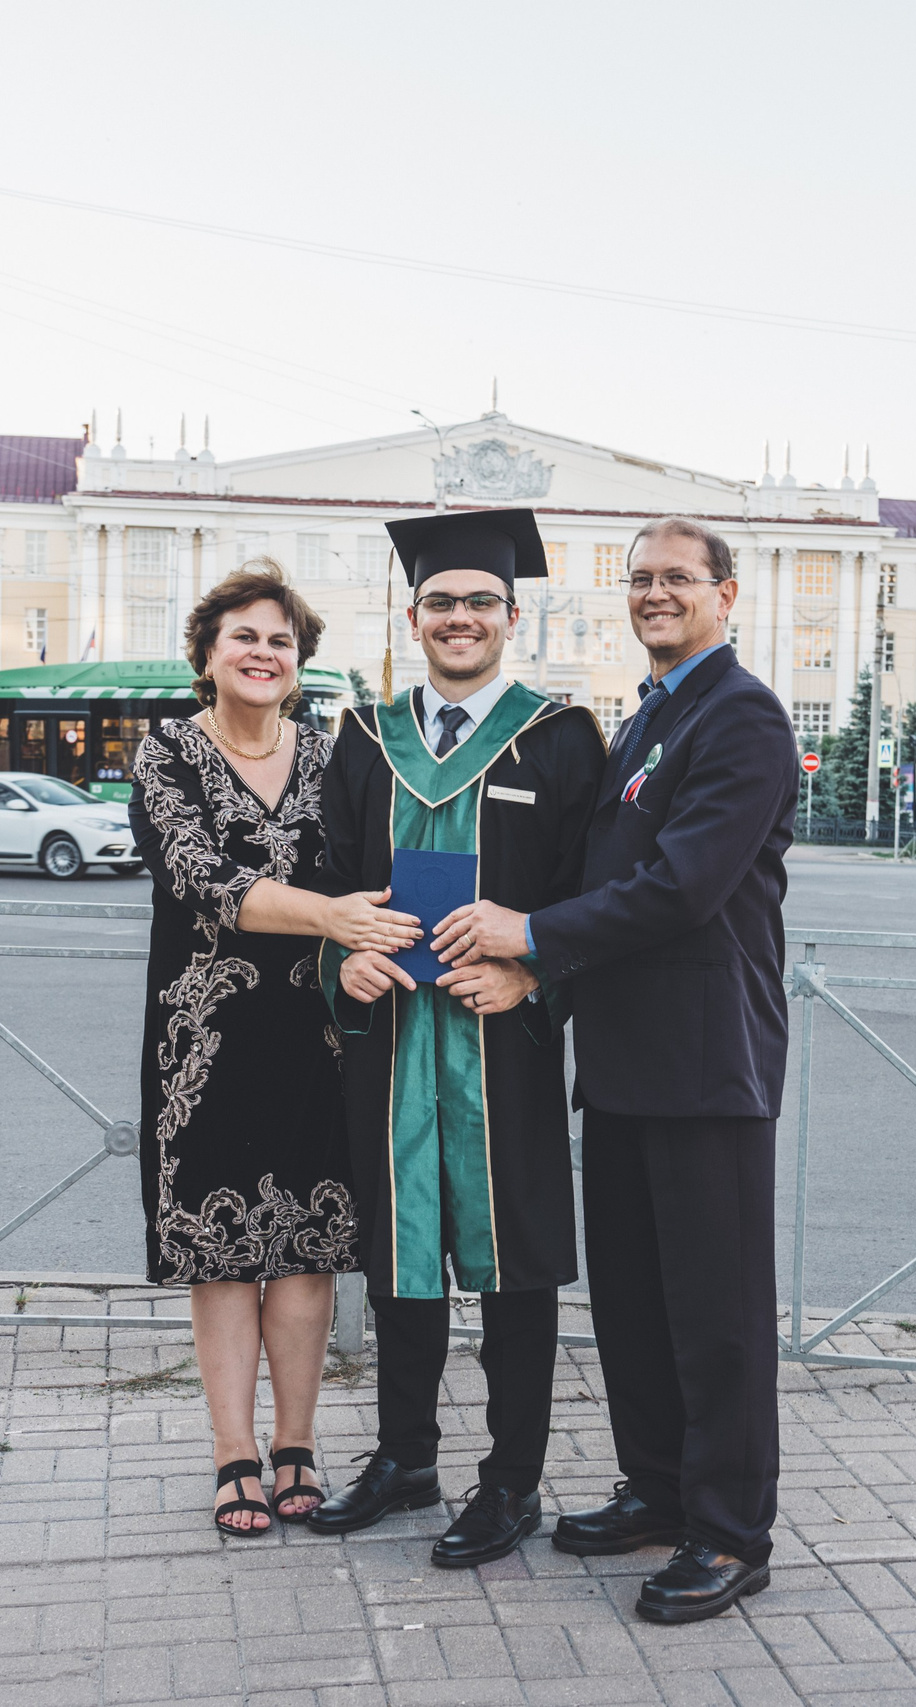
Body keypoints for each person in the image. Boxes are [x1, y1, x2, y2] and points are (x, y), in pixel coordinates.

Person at [438, 515, 796, 1623]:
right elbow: (608, 872)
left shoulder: (741, 718)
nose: (654, 595)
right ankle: (655, 1489)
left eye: (677, 580)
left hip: (707, 1063)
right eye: (640, 580)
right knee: (638, 1305)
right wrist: (545, 971)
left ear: (725, 596)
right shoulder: (651, 716)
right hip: (630, 1062)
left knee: (718, 1313)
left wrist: (527, 940)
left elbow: (680, 888)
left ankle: (731, 1534)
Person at [304, 508, 608, 1569]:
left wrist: (531, 973)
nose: (461, 618)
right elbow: (327, 888)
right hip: (389, 1047)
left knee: (512, 1268)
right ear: (413, 614)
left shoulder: (559, 739)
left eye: (481, 602)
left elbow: (596, 898)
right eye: (442, 602)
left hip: (502, 1048)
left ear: (511, 617)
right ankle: (405, 1459)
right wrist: (341, 960)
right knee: (401, 1263)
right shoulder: (360, 740)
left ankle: (512, 1479)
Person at [127, 563, 423, 1539]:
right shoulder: (166, 750)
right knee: (222, 1256)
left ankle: (296, 1446)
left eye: (281, 641)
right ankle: (233, 1455)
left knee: (305, 1254)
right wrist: (333, 917)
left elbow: (364, 862)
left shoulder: (331, 751)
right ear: (207, 655)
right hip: (203, 1043)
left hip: (315, 1036)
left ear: (298, 664)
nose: (262, 653)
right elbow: (201, 877)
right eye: (244, 637)